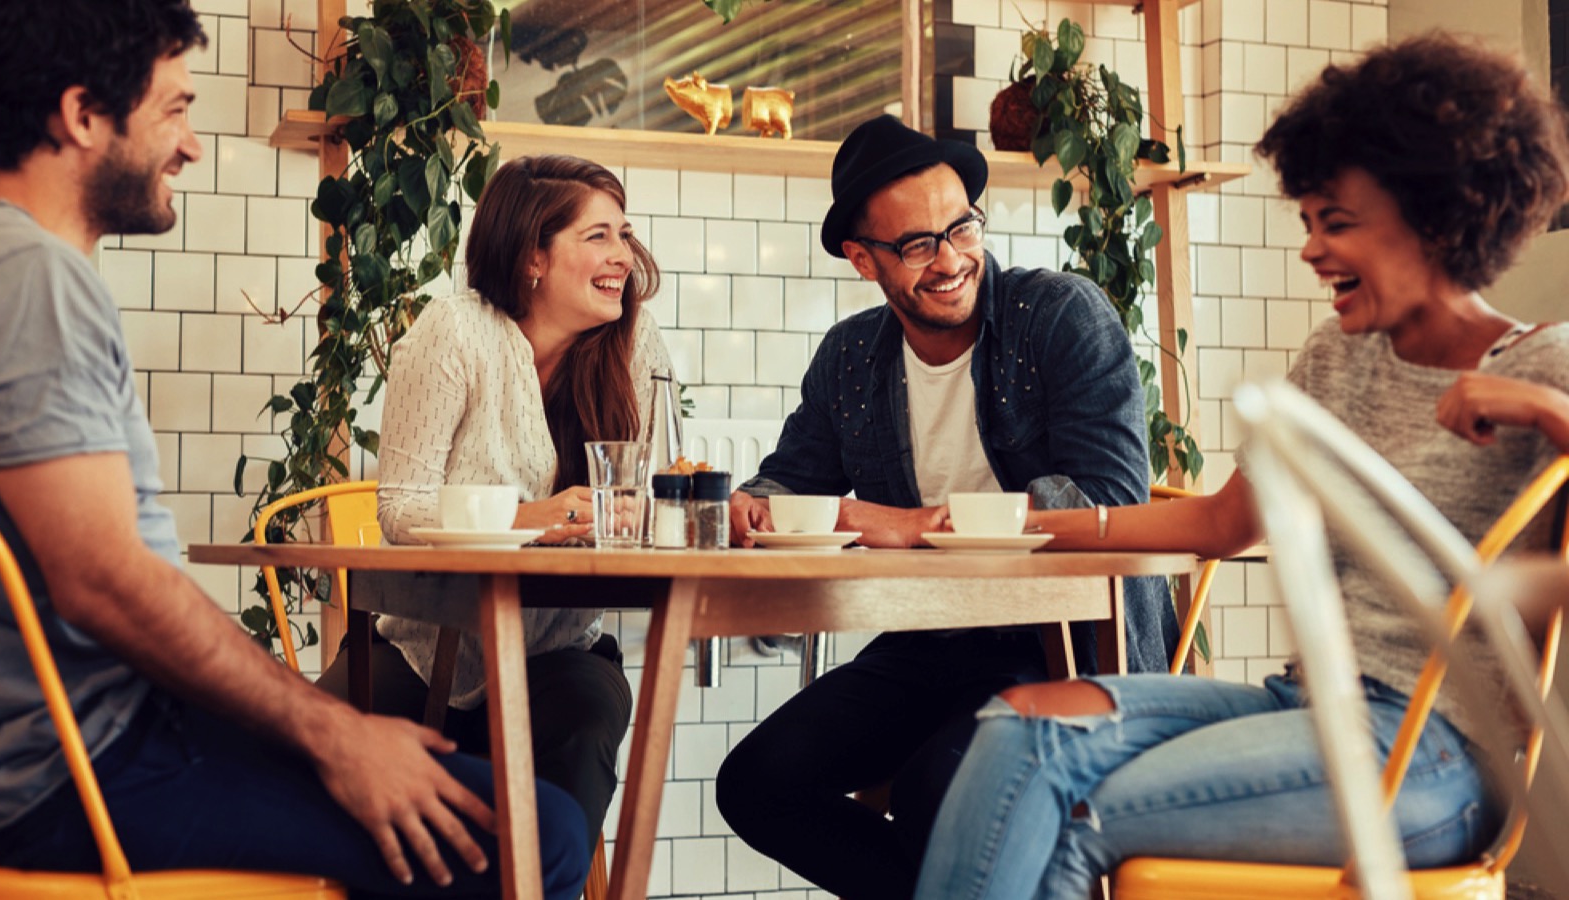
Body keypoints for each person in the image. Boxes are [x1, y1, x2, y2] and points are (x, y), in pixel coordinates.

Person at [912, 34, 1569, 900]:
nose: (1310, 250)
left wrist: (1554, 415)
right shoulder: (1337, 359)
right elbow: (1220, 524)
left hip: (1435, 754)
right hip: (1304, 705)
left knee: (1075, 806)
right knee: (1019, 732)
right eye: (1308, 222)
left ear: (1436, 216)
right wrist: (1006, 521)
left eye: (1336, 222)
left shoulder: (1545, 365)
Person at [0, 2, 588, 897]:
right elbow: (103, 579)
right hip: (85, 771)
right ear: (80, 114)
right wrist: (333, 732)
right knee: (543, 836)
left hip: (70, 749)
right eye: (175, 108)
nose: (191, 146)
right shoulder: (32, 278)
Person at [713, 114, 1181, 899]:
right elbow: (792, 478)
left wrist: (911, 528)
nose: (951, 260)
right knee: (757, 783)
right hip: (925, 641)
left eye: (961, 227)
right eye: (917, 245)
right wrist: (751, 506)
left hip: (1063, 647)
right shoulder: (850, 358)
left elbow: (1109, 501)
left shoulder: (1061, 317)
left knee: (942, 796)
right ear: (863, 260)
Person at [317, 153, 672, 854]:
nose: (622, 256)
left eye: (625, 235)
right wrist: (546, 517)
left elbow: (648, 498)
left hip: (560, 649)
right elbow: (403, 510)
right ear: (533, 255)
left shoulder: (636, 343)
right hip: (425, 646)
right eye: (598, 236)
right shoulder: (455, 332)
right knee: (305, 757)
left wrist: (642, 513)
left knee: (584, 728)